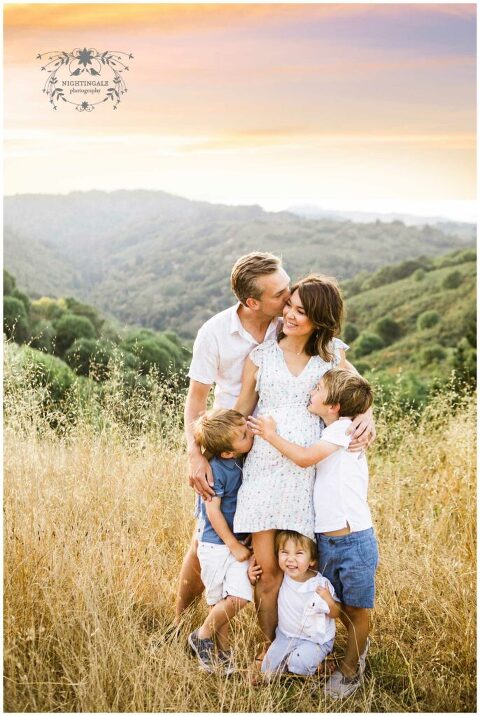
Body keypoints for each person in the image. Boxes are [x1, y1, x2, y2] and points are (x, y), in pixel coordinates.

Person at [177, 253, 375, 626]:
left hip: (302, 467)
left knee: (295, 560)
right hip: (240, 451)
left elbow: (354, 384)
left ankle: (301, 636)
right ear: (253, 302)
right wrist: (200, 454)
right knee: (210, 537)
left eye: (293, 298)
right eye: (283, 297)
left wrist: (366, 414)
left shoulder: (319, 345)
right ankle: (185, 621)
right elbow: (208, 402)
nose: (288, 305)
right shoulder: (221, 335)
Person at [232, 274, 351, 658]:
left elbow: (358, 399)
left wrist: (368, 419)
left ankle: (305, 643)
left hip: (305, 475)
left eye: (301, 312)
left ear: (320, 319)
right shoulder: (261, 357)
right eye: (289, 306)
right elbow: (240, 411)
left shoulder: (331, 356)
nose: (290, 316)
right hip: (263, 472)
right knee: (267, 572)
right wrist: (208, 450)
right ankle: (268, 651)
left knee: (300, 566)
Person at [247, 368, 378, 698]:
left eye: (318, 388)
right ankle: (326, 652)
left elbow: (305, 459)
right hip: (328, 541)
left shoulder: (344, 429)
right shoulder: (333, 426)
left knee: (355, 609)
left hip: (353, 540)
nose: (311, 390)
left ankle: (351, 669)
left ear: (333, 406)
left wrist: (270, 433)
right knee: (333, 602)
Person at [188, 408, 254, 674]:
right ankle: (219, 651)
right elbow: (213, 512)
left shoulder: (241, 458)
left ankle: (202, 636)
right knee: (221, 601)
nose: (250, 434)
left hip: (234, 542)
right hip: (216, 544)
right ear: (227, 452)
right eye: (244, 435)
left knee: (237, 596)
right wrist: (234, 545)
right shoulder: (216, 469)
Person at [248, 530, 340, 679]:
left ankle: (320, 665)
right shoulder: (283, 576)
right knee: (267, 671)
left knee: (297, 664)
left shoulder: (320, 584)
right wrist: (252, 577)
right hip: (285, 636)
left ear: (312, 560)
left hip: (315, 640)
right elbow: (264, 587)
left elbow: (335, 613)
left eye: (298, 554)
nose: (290, 559)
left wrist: (328, 600)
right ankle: (293, 666)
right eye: (285, 552)